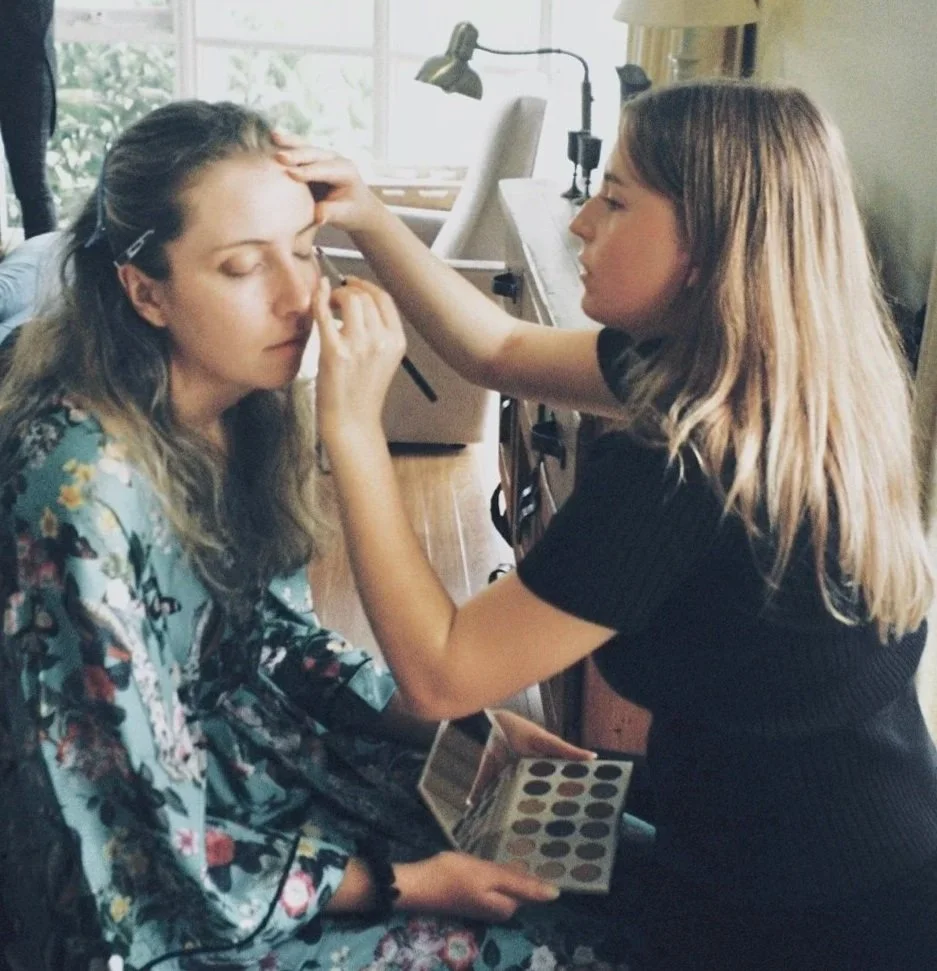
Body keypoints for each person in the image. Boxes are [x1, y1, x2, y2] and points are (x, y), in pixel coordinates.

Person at [278, 78, 937, 970]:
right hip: (853, 833)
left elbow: (439, 674)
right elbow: (498, 349)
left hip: (807, 917)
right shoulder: (772, 373)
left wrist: (352, 429)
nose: (581, 223)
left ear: (706, 245)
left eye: (616, 200)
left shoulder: (683, 465)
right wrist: (365, 212)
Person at [0, 100, 631, 971]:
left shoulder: (242, 406)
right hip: (156, 872)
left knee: (603, 878)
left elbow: (273, 638)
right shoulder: (79, 490)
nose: (298, 296)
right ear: (144, 291)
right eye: (241, 266)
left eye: (303, 250)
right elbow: (130, 827)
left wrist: (462, 731)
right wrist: (403, 883)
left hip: (247, 769)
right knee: (544, 945)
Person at [0, 0, 58, 240]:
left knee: (32, 186)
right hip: (28, 63)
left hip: (27, 66)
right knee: (33, 188)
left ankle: (44, 260)